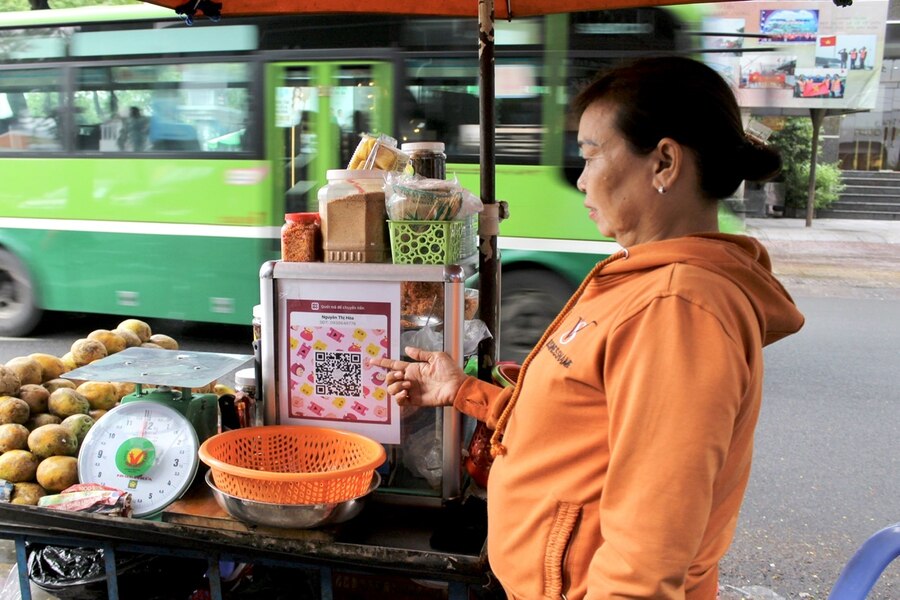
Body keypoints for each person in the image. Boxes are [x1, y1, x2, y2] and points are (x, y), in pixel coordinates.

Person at [375, 56, 805, 600]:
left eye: (591, 155)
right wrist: (463, 392)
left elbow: (646, 559)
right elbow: (578, 429)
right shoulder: (643, 280)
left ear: (665, 162)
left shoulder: (679, 308)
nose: (581, 179)